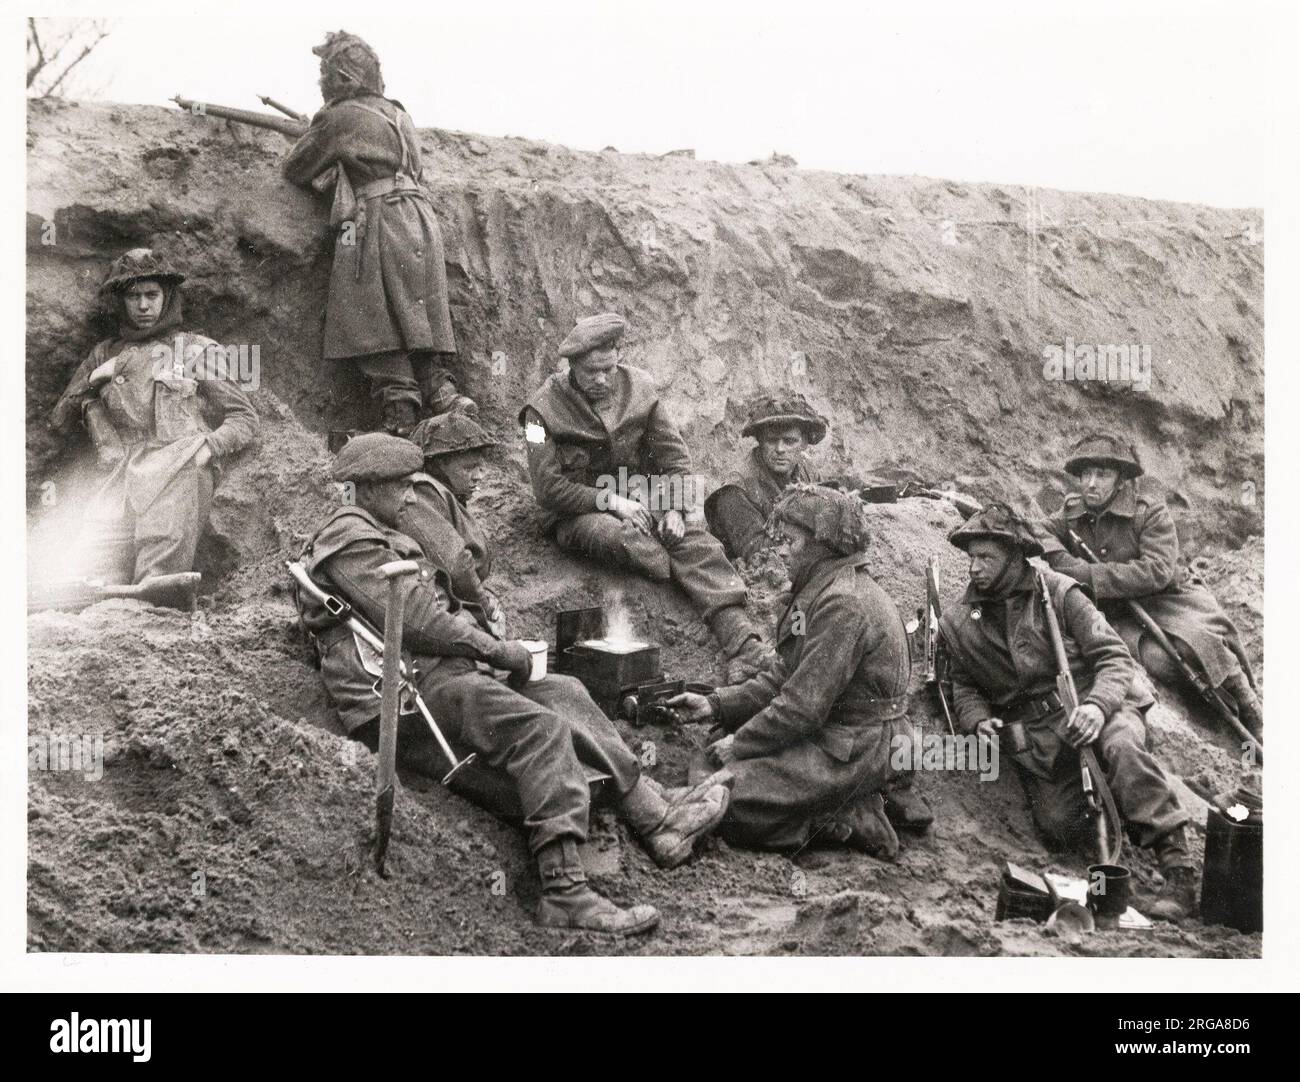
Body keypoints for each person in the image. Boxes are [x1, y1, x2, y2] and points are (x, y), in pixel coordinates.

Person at [294, 433, 732, 935]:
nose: (411, 496)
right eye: (400, 486)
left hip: (436, 673)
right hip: (401, 697)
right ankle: (564, 892)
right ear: (366, 488)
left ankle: (656, 817)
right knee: (539, 730)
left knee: (562, 690)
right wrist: (500, 652)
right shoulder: (352, 541)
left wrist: (494, 646)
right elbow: (419, 621)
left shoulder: (374, 528)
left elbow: (433, 612)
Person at [939, 503, 1197, 921]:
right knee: (1057, 826)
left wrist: (1097, 707)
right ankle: (1115, 810)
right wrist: (976, 719)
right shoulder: (960, 619)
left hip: (1098, 703)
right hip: (1042, 735)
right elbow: (963, 683)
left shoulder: (1059, 593)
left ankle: (1178, 869)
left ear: (1013, 556)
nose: (974, 569)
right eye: (971, 557)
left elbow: (1115, 658)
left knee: (1122, 748)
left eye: (985, 558)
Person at [666, 485, 923, 856]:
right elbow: (784, 676)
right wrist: (716, 705)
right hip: (840, 732)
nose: (781, 551)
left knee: (723, 794)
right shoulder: (821, 590)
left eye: (791, 541)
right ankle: (835, 804)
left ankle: (841, 815)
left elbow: (802, 707)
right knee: (714, 751)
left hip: (858, 745)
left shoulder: (842, 604)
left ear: (823, 544)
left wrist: (741, 743)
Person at [519, 312, 767, 683]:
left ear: (619, 354)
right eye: (590, 372)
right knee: (623, 539)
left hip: (643, 498)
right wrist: (614, 504)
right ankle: (675, 572)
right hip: (578, 511)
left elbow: (675, 457)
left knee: (698, 544)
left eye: (608, 368)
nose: (602, 379)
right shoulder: (537, 415)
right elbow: (548, 490)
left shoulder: (643, 390)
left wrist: (676, 511)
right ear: (572, 366)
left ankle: (745, 647)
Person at [282, 30, 473, 436]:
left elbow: (297, 168)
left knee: (369, 315)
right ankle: (443, 393)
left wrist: (315, 140)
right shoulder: (401, 113)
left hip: (378, 217)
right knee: (415, 310)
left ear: (338, 78)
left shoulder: (339, 116)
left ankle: (400, 410)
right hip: (419, 217)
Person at [49, 248, 259, 600]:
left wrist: (207, 449)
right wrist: (98, 377)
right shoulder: (103, 353)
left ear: (167, 297)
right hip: (118, 475)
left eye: (152, 295)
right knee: (83, 582)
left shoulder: (194, 350)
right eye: (133, 296)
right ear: (121, 301)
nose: (143, 306)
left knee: (157, 585)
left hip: (176, 470)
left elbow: (244, 418)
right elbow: (62, 417)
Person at [1039, 433, 1261, 737]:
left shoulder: (1148, 511)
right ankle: (1212, 708)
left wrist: (1087, 575)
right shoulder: (1072, 510)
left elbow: (1156, 571)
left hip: (1169, 599)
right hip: (1121, 612)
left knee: (1197, 643)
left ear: (1120, 480)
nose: (1091, 483)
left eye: (1102, 474)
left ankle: (1251, 710)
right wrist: (1063, 559)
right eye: (1086, 474)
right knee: (1161, 662)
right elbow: (1039, 532)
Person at [704, 392, 826, 561]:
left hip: (796, 556)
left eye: (789, 441)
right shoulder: (736, 489)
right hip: (749, 572)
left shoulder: (807, 471)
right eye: (771, 440)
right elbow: (755, 551)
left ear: (804, 443)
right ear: (760, 441)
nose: (780, 449)